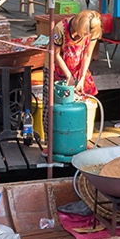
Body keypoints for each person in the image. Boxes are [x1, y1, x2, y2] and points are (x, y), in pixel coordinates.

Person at [41, 10, 103, 153]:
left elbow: (87, 54)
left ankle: (78, 140)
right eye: (81, 34)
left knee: (80, 104)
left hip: (78, 66)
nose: (83, 37)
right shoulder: (60, 28)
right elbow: (55, 54)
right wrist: (68, 76)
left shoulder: (93, 30)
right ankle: (50, 144)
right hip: (56, 67)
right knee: (51, 106)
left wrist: (81, 78)